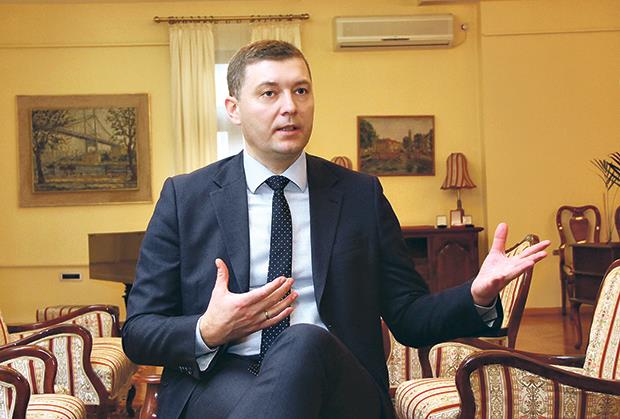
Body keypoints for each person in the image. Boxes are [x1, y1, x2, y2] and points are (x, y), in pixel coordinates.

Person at [122, 40, 549, 419]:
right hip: (220, 377)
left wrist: (476, 294)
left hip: (340, 383)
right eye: (269, 93)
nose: (290, 106)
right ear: (233, 108)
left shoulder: (360, 195)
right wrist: (208, 330)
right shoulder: (185, 198)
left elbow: (409, 317)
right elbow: (139, 331)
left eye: (301, 91)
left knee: (302, 342)